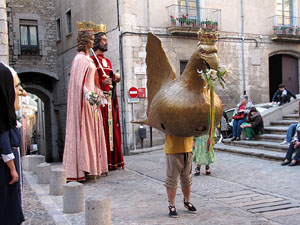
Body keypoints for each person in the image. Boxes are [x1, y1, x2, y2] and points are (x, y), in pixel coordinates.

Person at [63, 21, 108, 182]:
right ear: (84, 40)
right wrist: (88, 94)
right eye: (89, 38)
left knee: (94, 135)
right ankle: (85, 169)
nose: (91, 41)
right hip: (85, 105)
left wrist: (99, 93)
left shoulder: (89, 59)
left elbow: (92, 81)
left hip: (92, 104)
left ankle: (94, 168)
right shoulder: (79, 59)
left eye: (91, 38)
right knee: (86, 135)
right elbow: (78, 84)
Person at [91, 25, 124, 170]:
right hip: (100, 102)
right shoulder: (91, 60)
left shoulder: (108, 61)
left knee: (113, 130)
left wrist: (115, 80)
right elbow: (89, 80)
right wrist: (101, 82)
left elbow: (110, 78)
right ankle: (104, 162)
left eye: (106, 40)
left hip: (110, 100)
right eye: (103, 40)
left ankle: (114, 161)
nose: (106, 42)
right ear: (97, 42)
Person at [0, 62, 25, 225]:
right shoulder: (2, 118)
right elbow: (3, 143)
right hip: (5, 168)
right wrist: (12, 168)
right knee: (8, 207)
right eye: (15, 87)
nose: (21, 92)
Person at [164, 134, 197, 218]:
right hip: (173, 149)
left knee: (187, 178)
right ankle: (171, 205)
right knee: (172, 178)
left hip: (188, 148)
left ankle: (187, 201)